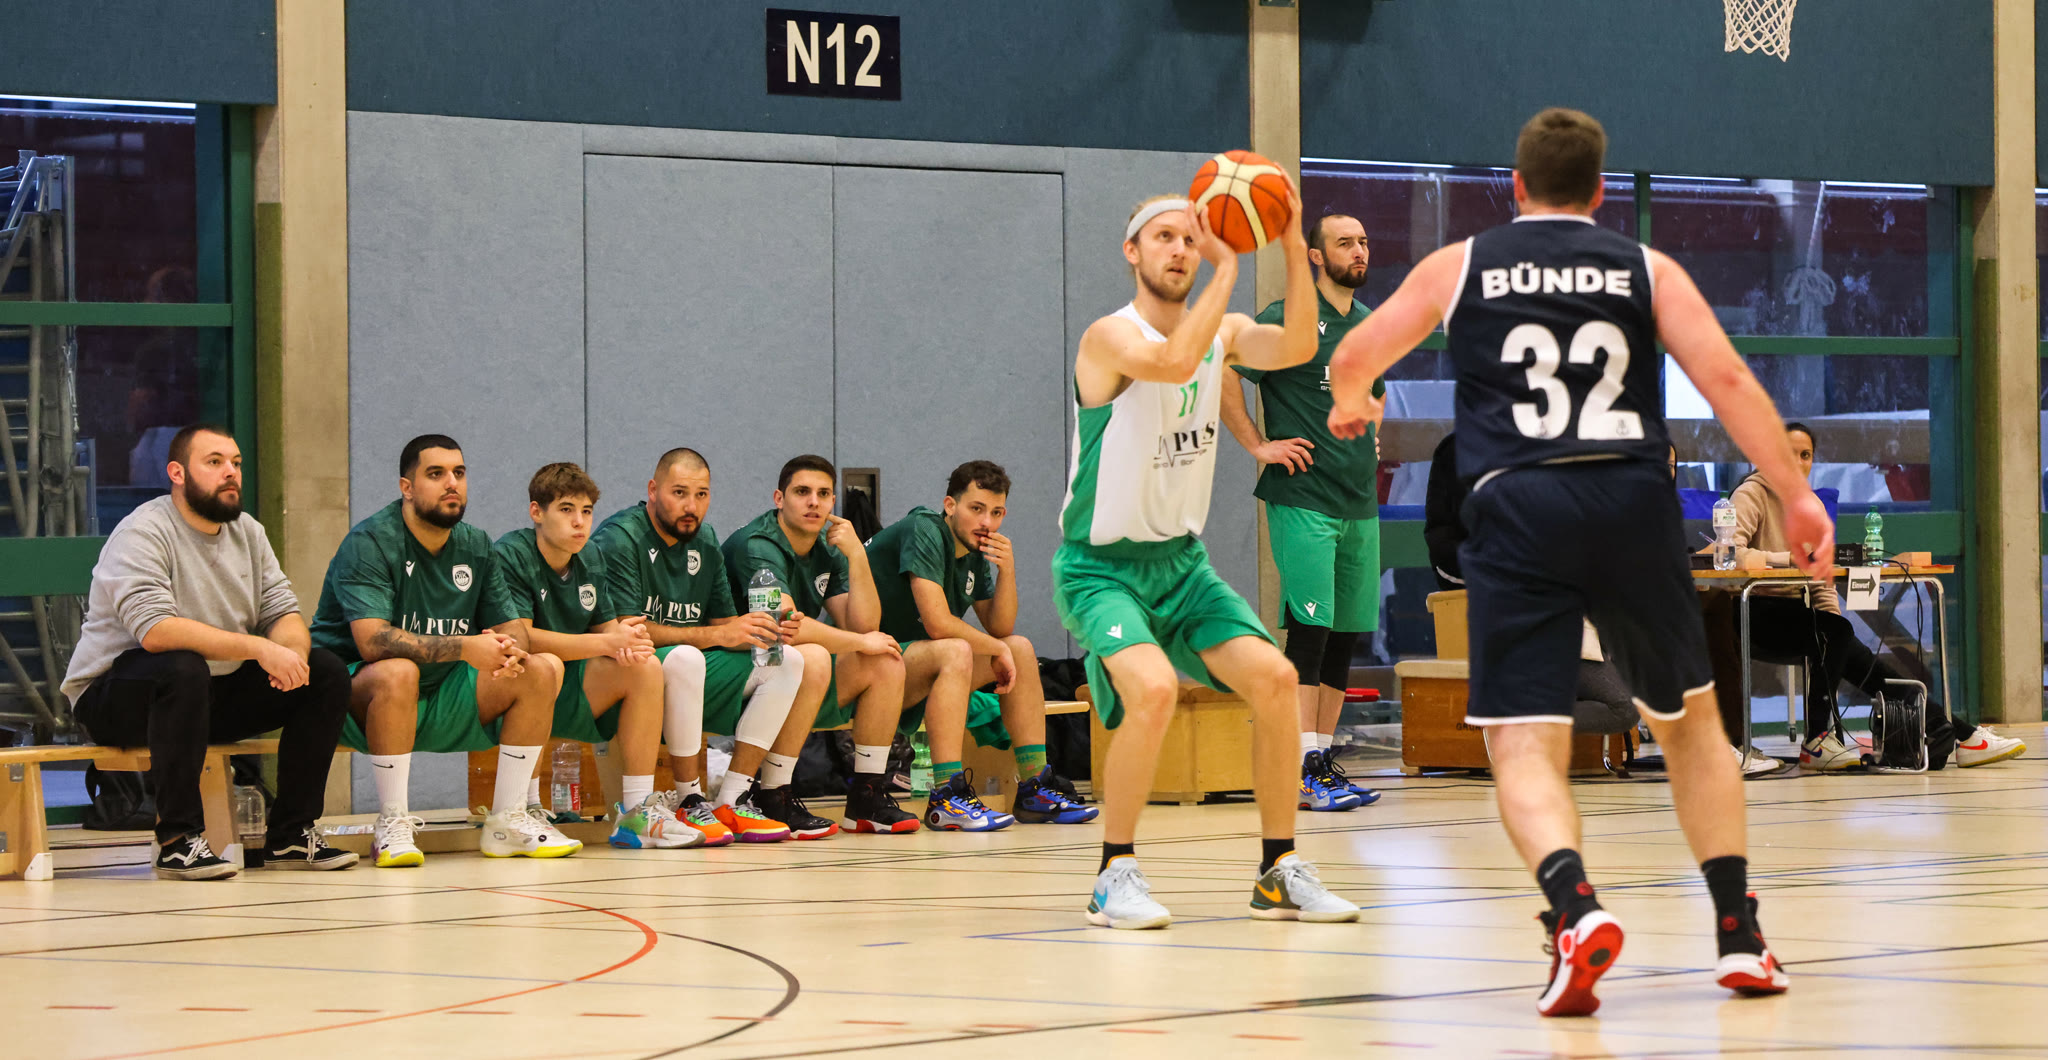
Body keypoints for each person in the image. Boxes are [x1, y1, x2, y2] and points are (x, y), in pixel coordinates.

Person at [1327, 108, 1811, 1013]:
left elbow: (1353, 354)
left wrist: (1352, 401)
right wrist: (1799, 492)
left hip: (1518, 503)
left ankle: (1574, 906)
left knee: (1522, 741)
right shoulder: (1647, 267)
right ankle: (1737, 933)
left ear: (1516, 187)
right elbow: (1729, 382)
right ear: (1598, 192)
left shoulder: (1461, 264)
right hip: (1630, 495)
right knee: (1691, 728)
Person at [1058, 186, 1360, 930]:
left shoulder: (1226, 331)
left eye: (1190, 239)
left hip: (1182, 565)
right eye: (1164, 237)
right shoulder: (1109, 337)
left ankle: (1278, 870)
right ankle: (1113, 873)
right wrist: (1228, 266)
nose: (1179, 250)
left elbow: (1298, 346)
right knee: (1154, 688)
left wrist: (1289, 241)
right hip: (1101, 569)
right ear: (1131, 252)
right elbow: (1171, 361)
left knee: (1278, 680)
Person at [64, 424, 357, 879]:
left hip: (206, 694)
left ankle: (291, 835)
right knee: (181, 667)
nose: (230, 472)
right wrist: (259, 649)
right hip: (115, 698)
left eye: (235, 463)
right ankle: (177, 841)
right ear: (177, 473)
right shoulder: (144, 531)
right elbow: (156, 632)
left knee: (325, 671)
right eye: (215, 462)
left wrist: (291, 657)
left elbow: (282, 611)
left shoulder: (248, 532)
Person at [311, 434, 581, 866]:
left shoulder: (476, 545)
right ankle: (392, 822)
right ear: (407, 487)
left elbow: (514, 628)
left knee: (542, 667)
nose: (452, 483)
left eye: (459, 472)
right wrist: (465, 647)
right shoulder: (371, 541)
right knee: (399, 671)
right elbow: (373, 641)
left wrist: (510, 649)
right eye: (436, 474)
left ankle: (508, 819)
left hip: (441, 693)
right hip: (354, 698)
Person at [1716, 423, 2024, 771]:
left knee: (1869, 666)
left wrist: (1837, 634)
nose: (1798, 463)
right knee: (1837, 637)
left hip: (1800, 615)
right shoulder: (1751, 493)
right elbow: (1727, 553)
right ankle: (1817, 740)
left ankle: (1962, 735)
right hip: (1752, 613)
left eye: (1806, 455)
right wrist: (1787, 559)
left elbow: (1822, 580)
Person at [1219, 211, 1383, 813]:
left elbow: (1373, 394)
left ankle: (1323, 757)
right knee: (1310, 630)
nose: (1358, 250)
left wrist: (1372, 437)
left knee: (1344, 635)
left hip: (1359, 503)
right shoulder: (1286, 317)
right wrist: (1258, 444)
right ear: (1316, 256)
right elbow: (1225, 372)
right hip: (1304, 497)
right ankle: (1301, 764)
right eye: (1344, 242)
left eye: (1363, 241)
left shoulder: (1368, 323)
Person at [589, 448, 825, 842]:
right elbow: (628, 631)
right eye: (679, 493)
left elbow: (723, 625)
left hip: (692, 671)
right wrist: (718, 636)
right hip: (634, 674)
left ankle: (732, 800)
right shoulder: (621, 537)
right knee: (687, 657)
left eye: (701, 495)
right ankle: (689, 799)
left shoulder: (706, 539)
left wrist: (767, 630)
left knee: (787, 659)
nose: (691, 506)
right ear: (652, 490)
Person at [869, 460, 1097, 829]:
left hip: (912, 668)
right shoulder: (923, 529)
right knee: (957, 648)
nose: (986, 522)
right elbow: (938, 623)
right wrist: (995, 647)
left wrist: (1007, 569)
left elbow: (1000, 626)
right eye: (976, 509)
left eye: (996, 512)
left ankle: (1035, 788)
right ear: (950, 505)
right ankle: (947, 794)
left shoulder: (974, 550)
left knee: (1019, 648)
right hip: (865, 668)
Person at [491, 462, 702, 850]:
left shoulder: (590, 556)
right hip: (513, 685)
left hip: (573, 683)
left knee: (644, 665)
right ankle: (527, 805)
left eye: (586, 511)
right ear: (536, 512)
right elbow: (522, 639)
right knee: (543, 666)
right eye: (566, 509)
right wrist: (605, 643)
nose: (579, 522)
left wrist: (627, 638)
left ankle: (636, 811)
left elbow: (607, 631)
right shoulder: (511, 553)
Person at [724, 455, 920, 834]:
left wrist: (857, 554)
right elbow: (786, 628)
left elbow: (865, 624)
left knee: (885, 661)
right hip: (735, 671)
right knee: (812, 655)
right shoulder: (758, 544)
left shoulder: (828, 549)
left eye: (824, 494)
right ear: (779, 498)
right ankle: (773, 793)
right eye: (802, 492)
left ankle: (867, 796)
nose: (814, 502)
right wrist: (861, 640)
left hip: (785, 670)